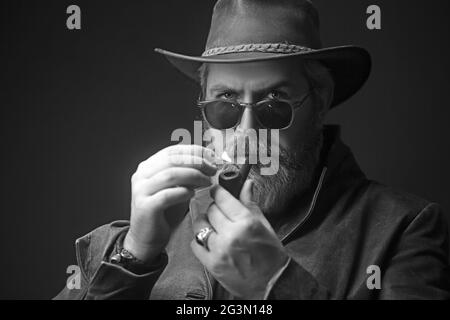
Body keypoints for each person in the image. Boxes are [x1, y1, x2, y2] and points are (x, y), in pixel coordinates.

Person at [55, 0, 450, 299]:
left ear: (321, 100)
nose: (248, 132)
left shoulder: (403, 229)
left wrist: (275, 282)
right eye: (225, 104)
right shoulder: (144, 231)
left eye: (275, 103)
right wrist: (132, 257)